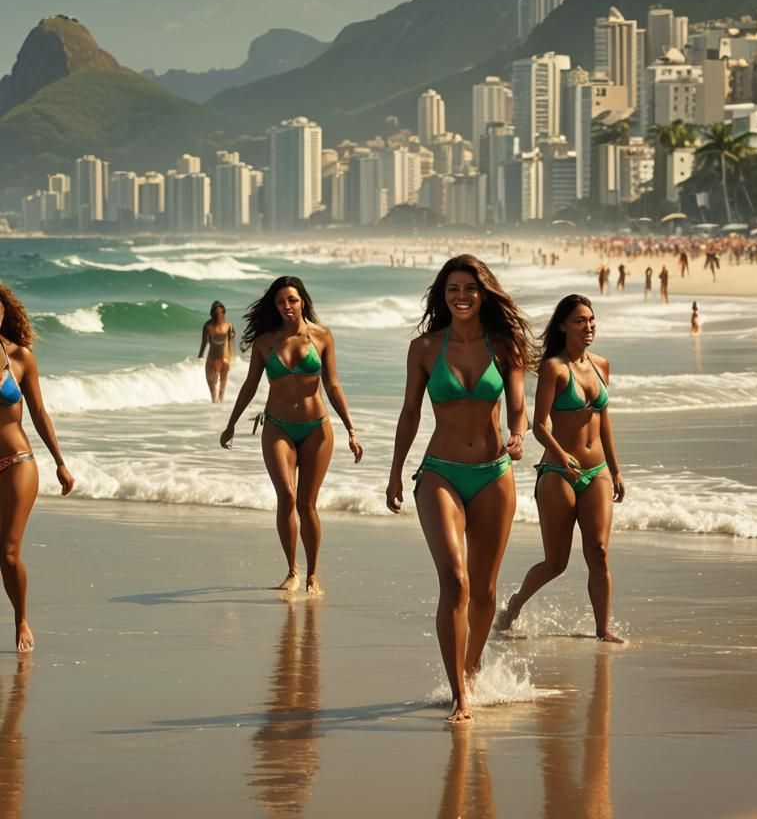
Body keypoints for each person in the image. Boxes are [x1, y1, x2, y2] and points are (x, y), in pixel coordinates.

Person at [386, 255, 530, 723]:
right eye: (452, 289)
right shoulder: (425, 348)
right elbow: (410, 413)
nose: (461, 296)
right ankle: (460, 695)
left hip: (493, 473)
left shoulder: (503, 345)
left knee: (485, 591)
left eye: (469, 288)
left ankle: (471, 665)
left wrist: (518, 433)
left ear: (483, 292)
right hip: (440, 472)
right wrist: (394, 472)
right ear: (441, 296)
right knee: (455, 580)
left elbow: (518, 405)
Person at [220, 277, 362, 596]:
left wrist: (351, 428)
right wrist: (231, 423)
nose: (287, 306)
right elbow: (250, 385)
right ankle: (292, 571)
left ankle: (313, 575)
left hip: (317, 429)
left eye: (293, 300)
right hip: (277, 427)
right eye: (281, 301)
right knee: (286, 495)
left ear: (303, 302)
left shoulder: (322, 337)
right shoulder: (265, 342)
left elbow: (333, 385)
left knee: (307, 504)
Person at [498, 294, 624, 642]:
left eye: (592, 320)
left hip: (595, 470)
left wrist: (615, 469)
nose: (588, 327)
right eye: (581, 320)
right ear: (564, 325)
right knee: (557, 562)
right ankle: (515, 604)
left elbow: (605, 421)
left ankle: (602, 630)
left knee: (598, 552)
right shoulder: (555, 368)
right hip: (558, 473)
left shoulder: (602, 366)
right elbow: (538, 425)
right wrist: (561, 454)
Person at [0, 284, 75, 652]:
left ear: (3, 313)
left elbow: (40, 414)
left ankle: (21, 619)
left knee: (9, 552)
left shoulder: (20, 357)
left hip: (17, 462)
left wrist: (60, 463)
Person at [198, 300, 235, 403]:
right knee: (217, 389)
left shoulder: (223, 325)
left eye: (221, 312)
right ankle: (217, 408)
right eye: (218, 313)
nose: (220, 315)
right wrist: (200, 356)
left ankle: (217, 408)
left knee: (217, 390)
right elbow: (204, 342)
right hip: (219, 359)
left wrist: (200, 355)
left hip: (219, 359)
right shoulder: (224, 325)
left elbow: (204, 342)